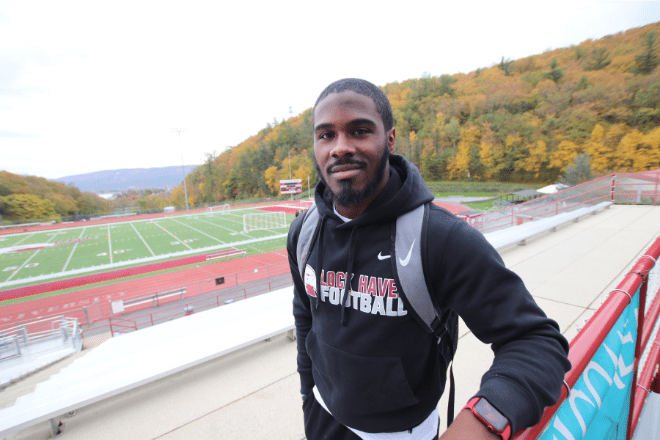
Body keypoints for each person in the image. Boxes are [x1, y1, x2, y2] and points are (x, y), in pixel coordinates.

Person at [287, 78, 570, 440]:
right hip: (323, 416)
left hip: (403, 431)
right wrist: (306, 391)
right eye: (326, 135)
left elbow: (536, 341)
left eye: (359, 131)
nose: (340, 147)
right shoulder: (304, 232)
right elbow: (305, 316)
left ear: (389, 140)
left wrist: (484, 421)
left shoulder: (439, 237)